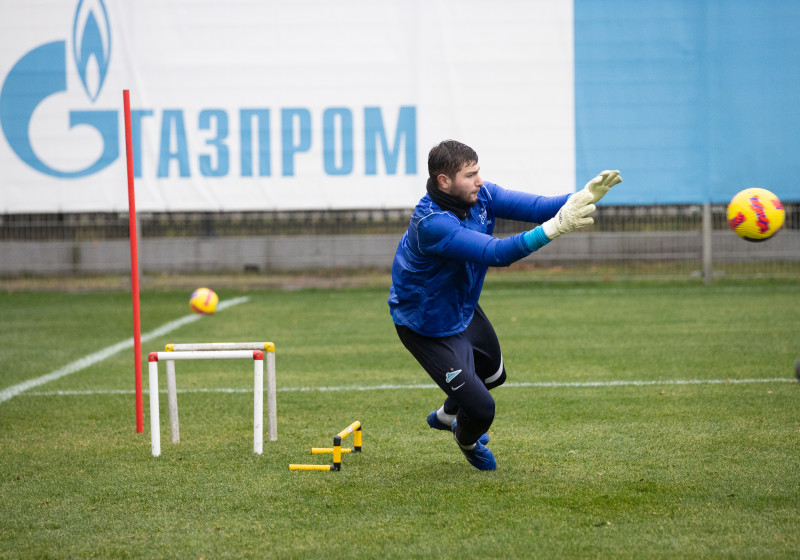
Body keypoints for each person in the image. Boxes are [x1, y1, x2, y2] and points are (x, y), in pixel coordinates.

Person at [388, 139, 621, 470]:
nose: (479, 180)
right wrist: (556, 228)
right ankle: (465, 439)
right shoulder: (432, 223)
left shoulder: (481, 195)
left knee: (494, 375)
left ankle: (447, 414)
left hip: (461, 307)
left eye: (478, 171)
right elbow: (496, 253)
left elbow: (538, 206)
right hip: (425, 325)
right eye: (470, 175)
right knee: (483, 410)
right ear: (444, 181)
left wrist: (580, 197)